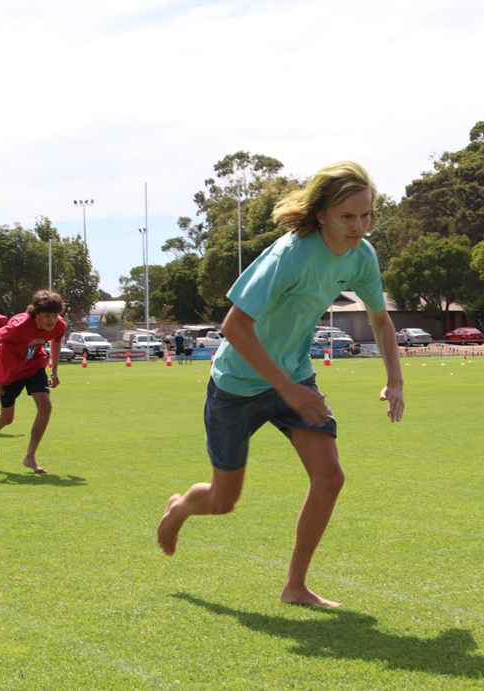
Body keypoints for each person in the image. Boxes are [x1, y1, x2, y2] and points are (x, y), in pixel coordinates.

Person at [157, 161, 405, 607]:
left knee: (330, 477)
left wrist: (395, 380)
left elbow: (381, 319)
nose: (359, 227)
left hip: (294, 378)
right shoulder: (290, 255)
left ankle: (295, 586)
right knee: (222, 499)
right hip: (237, 384)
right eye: (348, 216)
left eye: (366, 215)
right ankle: (181, 507)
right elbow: (233, 326)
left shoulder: (361, 255)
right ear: (323, 213)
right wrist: (287, 388)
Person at [0, 290, 66, 474]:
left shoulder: (59, 325)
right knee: (7, 419)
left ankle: (30, 456)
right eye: (47, 316)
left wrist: (54, 369)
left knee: (45, 406)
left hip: (34, 365)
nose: (52, 320)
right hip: (9, 370)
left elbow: (56, 341)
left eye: (55, 315)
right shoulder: (18, 325)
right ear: (37, 314)